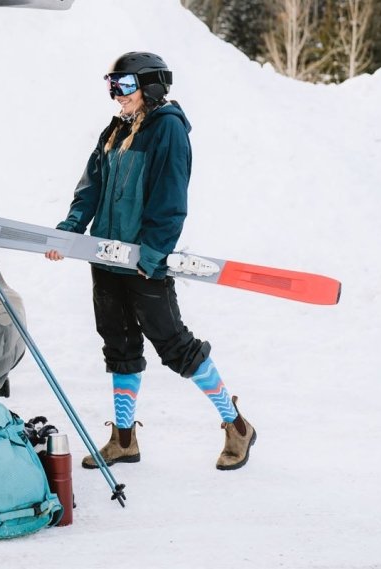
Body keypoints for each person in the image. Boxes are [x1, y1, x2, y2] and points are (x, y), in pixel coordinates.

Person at [49, 52, 256, 471]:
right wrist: (70, 230)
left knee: (174, 344)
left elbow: (170, 197)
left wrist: (155, 252)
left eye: (124, 85)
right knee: (119, 344)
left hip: (143, 261)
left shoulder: (169, 131)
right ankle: (124, 440)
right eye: (111, 85)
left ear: (151, 86)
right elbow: (91, 185)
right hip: (106, 258)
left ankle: (236, 426)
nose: (116, 95)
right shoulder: (117, 128)